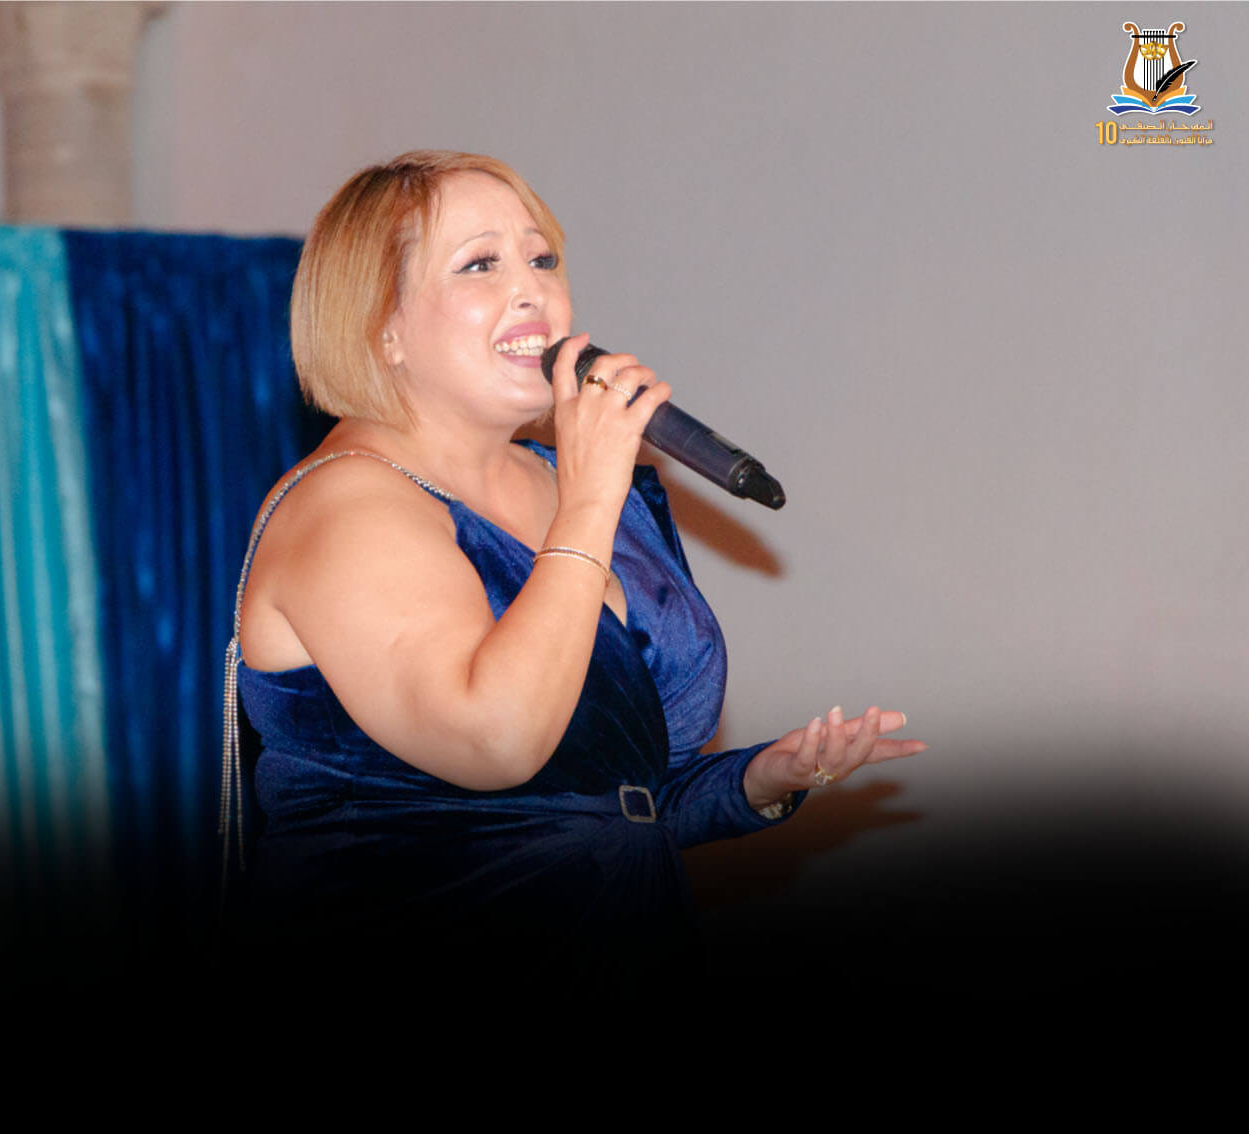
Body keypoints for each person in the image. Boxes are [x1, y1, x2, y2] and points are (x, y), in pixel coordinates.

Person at [222, 150, 925, 986]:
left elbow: (603, 800)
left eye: (542, 258)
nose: (532, 291)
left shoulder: (579, 486)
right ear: (383, 328)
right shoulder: (346, 508)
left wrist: (758, 780)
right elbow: (495, 742)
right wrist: (589, 503)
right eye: (480, 264)